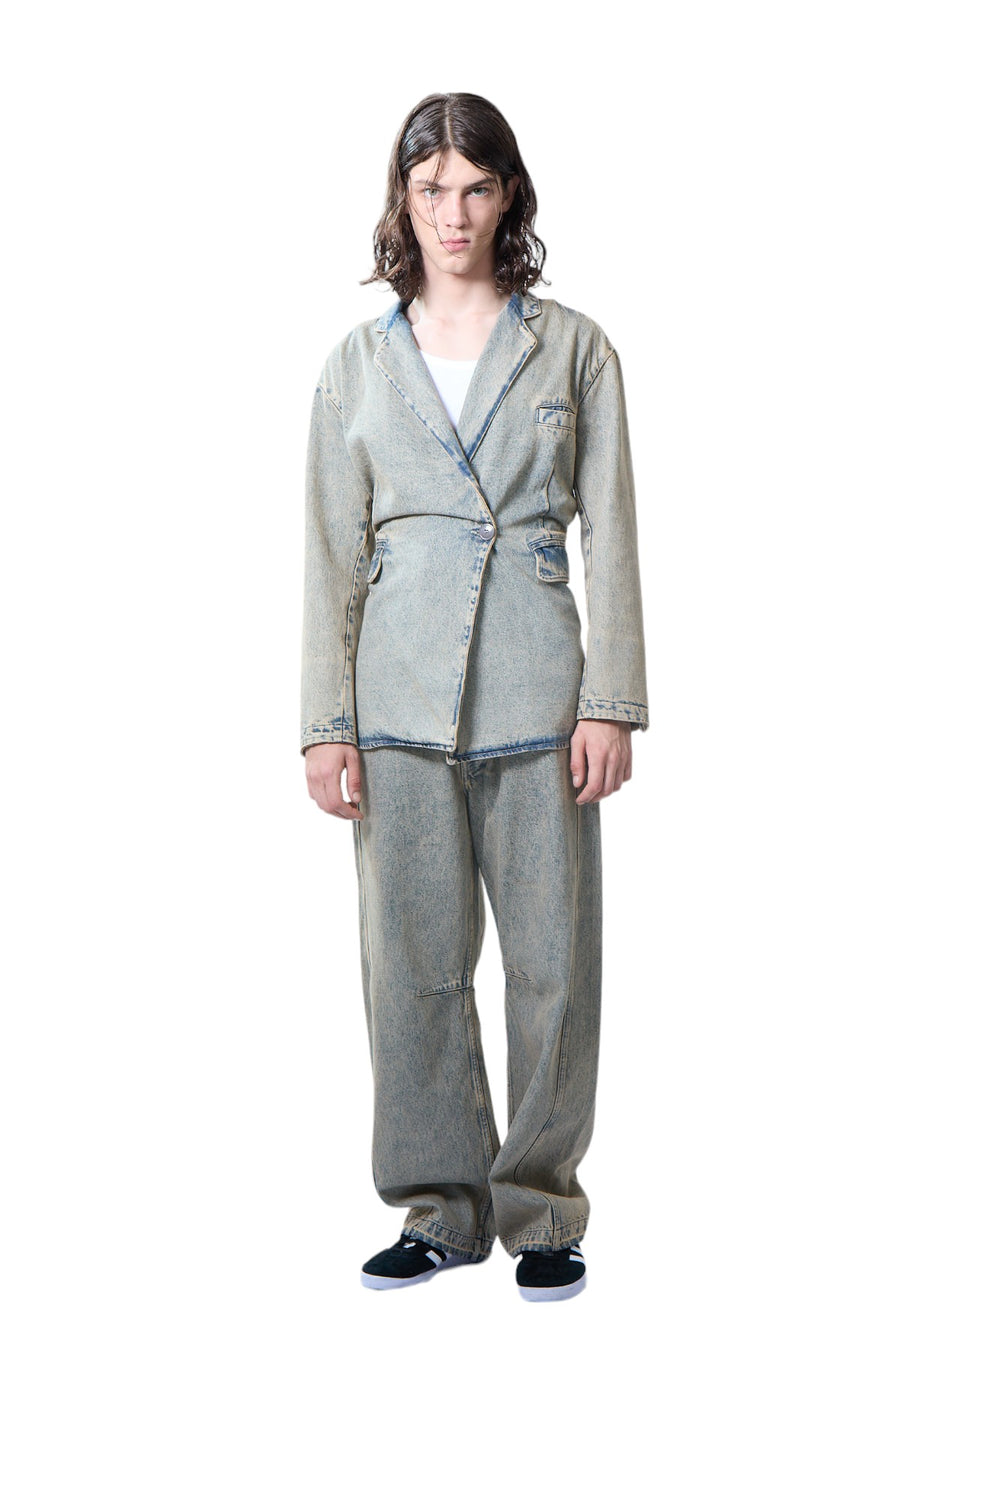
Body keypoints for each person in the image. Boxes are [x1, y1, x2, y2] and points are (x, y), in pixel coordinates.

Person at [301, 92, 648, 1302]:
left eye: (476, 188)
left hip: (538, 695)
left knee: (553, 964)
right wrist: (326, 727)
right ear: (402, 202)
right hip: (392, 701)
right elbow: (329, 554)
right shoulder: (356, 366)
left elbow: (613, 531)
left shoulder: (574, 349)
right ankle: (438, 1208)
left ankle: (541, 1209)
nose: (453, 214)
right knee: (410, 968)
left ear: (509, 197)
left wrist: (611, 699)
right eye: (430, 189)